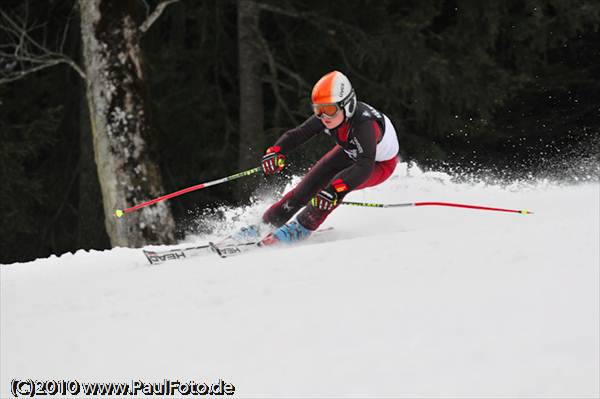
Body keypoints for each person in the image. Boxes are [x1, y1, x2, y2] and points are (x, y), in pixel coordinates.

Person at [247, 70, 400, 244]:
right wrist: (275, 152)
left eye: (328, 109)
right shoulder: (331, 115)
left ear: (347, 105)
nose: (323, 116)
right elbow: (298, 134)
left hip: (378, 164)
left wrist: (334, 191)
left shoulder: (365, 126)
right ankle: (266, 224)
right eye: (318, 109)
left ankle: (301, 227)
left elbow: (365, 165)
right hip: (350, 151)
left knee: (333, 187)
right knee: (307, 186)